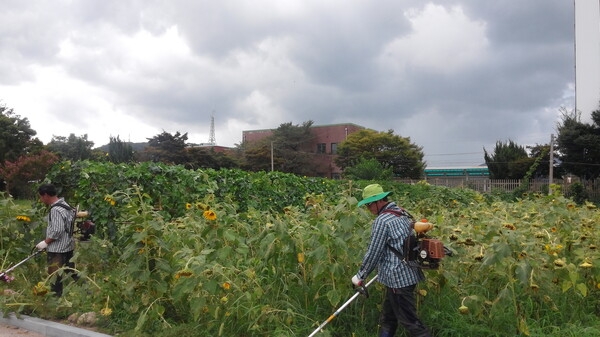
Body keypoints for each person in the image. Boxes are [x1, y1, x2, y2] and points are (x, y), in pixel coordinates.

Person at [351, 184, 431, 337]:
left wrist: (360, 276)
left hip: (397, 278)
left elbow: (374, 251)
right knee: (389, 318)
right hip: (407, 273)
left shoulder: (382, 220)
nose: (369, 209)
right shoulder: (401, 213)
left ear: (378, 201)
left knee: (411, 323)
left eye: (369, 205)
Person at [36, 183, 78, 297]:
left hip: (57, 249)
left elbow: (57, 230)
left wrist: (45, 242)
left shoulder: (55, 210)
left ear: (45, 195)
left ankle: (56, 299)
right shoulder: (65, 205)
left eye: (40, 197)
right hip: (68, 246)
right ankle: (88, 292)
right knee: (71, 271)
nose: (41, 200)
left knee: (55, 276)